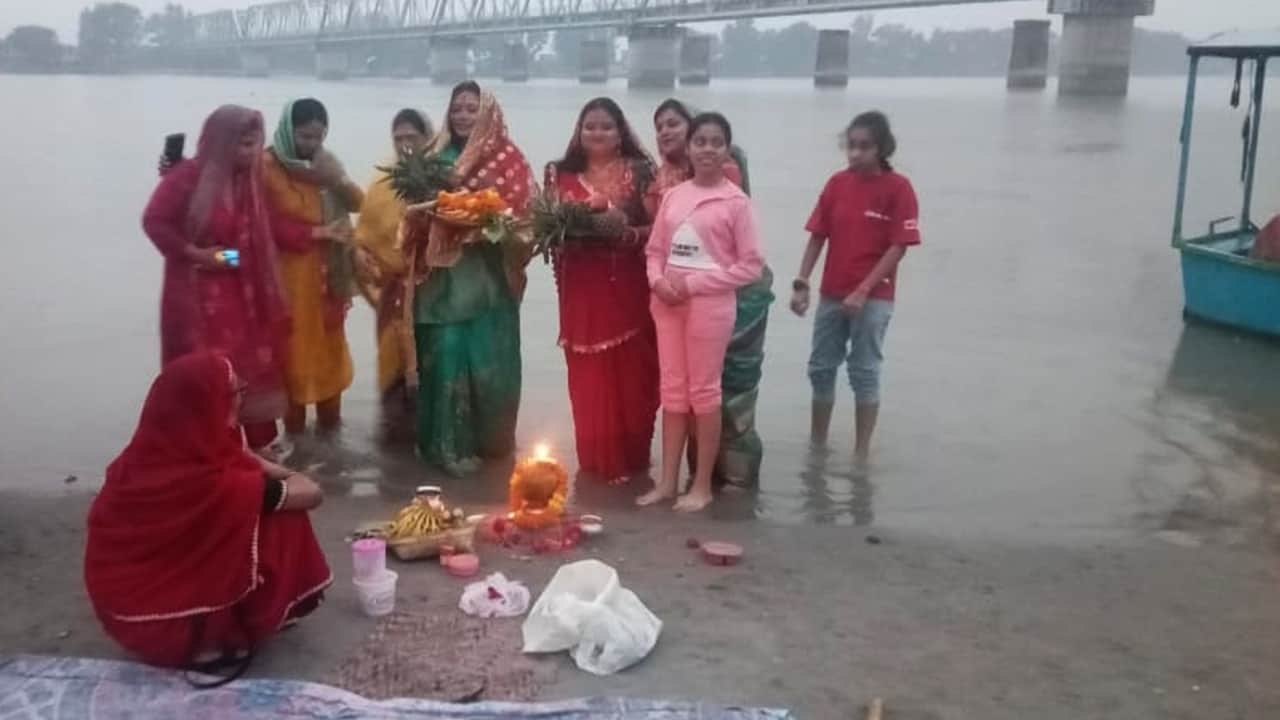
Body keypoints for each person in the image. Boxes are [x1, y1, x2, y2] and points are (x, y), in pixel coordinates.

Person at [85, 352, 331, 670]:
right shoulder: (217, 482)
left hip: (125, 616)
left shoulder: (139, 461)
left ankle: (218, 624)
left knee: (248, 511)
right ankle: (219, 635)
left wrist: (247, 457)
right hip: (169, 627)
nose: (240, 400)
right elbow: (312, 493)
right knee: (284, 515)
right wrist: (265, 465)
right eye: (233, 393)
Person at [401, 83, 534, 474]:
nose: (462, 115)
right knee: (446, 355)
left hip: (490, 279)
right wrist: (431, 218)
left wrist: (490, 225)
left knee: (489, 363)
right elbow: (410, 210)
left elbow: (525, 219)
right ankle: (445, 448)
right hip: (442, 278)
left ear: (488, 113)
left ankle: (492, 446)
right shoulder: (434, 156)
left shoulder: (509, 158)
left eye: (471, 108)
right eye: (456, 108)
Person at [141, 105, 289, 454]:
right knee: (205, 371)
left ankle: (253, 449)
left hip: (239, 292)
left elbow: (244, 245)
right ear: (221, 143)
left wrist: (229, 256)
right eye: (243, 144)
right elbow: (154, 221)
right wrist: (196, 254)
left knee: (245, 365)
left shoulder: (248, 184)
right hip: (192, 297)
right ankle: (205, 450)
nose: (251, 153)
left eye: (255, 144)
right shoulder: (187, 178)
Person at [645, 98, 775, 490]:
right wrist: (657, 281)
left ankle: (700, 485)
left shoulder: (736, 201)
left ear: (727, 150)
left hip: (709, 307)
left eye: (716, 142)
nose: (707, 149)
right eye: (700, 141)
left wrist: (693, 285)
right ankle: (667, 483)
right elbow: (655, 250)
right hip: (667, 305)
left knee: (705, 392)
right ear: (689, 148)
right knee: (672, 391)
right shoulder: (674, 195)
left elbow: (749, 266)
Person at [791, 111, 921, 466]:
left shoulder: (899, 189)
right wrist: (802, 282)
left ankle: (861, 454)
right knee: (820, 367)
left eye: (864, 147)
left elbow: (899, 247)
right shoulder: (837, 184)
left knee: (863, 372)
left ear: (881, 148)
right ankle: (818, 447)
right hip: (833, 293)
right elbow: (818, 235)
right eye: (851, 146)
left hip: (874, 298)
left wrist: (863, 290)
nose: (855, 154)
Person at [547, 98, 659, 486]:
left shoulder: (641, 171)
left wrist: (625, 233)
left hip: (629, 287)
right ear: (578, 132)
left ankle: (632, 461)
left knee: (634, 377)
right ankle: (595, 464)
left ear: (620, 133)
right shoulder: (558, 174)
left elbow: (661, 229)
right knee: (588, 378)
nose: (597, 133)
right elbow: (545, 227)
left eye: (606, 127)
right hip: (580, 289)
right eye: (589, 126)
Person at [262, 98, 364, 436]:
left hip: (327, 278)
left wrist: (337, 178)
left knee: (329, 357)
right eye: (305, 137)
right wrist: (314, 232)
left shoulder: (325, 164)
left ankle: (330, 447)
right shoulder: (265, 166)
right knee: (294, 359)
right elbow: (259, 226)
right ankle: (296, 446)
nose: (312, 145)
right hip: (288, 280)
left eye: (318, 137)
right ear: (289, 131)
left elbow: (360, 204)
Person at [353, 109, 434, 403]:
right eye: (398, 138)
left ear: (428, 138)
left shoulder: (443, 181)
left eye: (412, 137)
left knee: (433, 369)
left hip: (432, 294)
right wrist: (362, 259)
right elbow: (363, 240)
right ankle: (391, 440)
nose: (405, 145)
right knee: (392, 371)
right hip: (393, 294)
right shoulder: (381, 185)